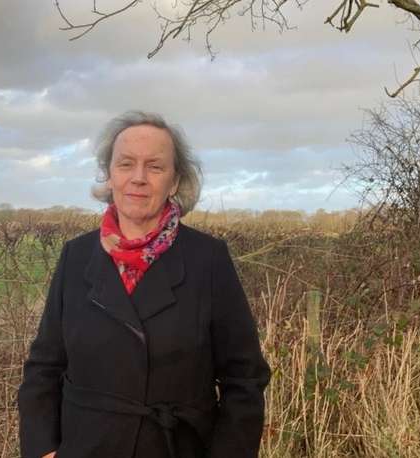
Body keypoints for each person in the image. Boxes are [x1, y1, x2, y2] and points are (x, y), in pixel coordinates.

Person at [17, 111, 271, 458]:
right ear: (109, 175)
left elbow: (244, 379)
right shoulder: (76, 256)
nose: (138, 178)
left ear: (175, 180)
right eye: (125, 164)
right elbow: (44, 366)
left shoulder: (208, 259)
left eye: (154, 166)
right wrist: (43, 449)